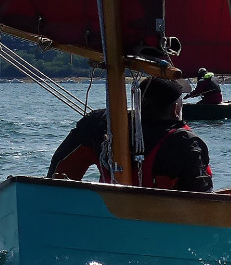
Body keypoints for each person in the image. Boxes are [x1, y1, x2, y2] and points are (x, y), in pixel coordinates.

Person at [47, 77, 212, 191]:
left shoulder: (99, 123)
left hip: (106, 216)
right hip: (158, 227)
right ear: (176, 109)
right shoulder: (185, 143)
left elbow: (57, 172)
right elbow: (201, 198)